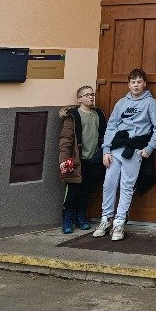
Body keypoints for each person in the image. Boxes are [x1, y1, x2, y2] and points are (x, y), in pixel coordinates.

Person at [92, 68, 156, 241]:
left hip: (134, 151)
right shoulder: (121, 103)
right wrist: (106, 150)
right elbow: (111, 126)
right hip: (116, 149)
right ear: (129, 84)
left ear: (144, 84)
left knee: (127, 186)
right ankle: (106, 219)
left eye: (139, 82)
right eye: (133, 82)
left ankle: (119, 223)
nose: (136, 85)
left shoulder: (151, 104)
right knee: (109, 183)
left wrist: (149, 149)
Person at [57, 85, 108, 234]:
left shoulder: (98, 114)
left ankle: (81, 216)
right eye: (86, 95)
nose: (90, 97)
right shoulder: (73, 117)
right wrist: (63, 159)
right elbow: (66, 139)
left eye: (92, 94)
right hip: (77, 161)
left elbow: (104, 135)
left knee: (85, 191)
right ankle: (67, 218)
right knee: (73, 191)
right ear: (79, 99)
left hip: (93, 160)